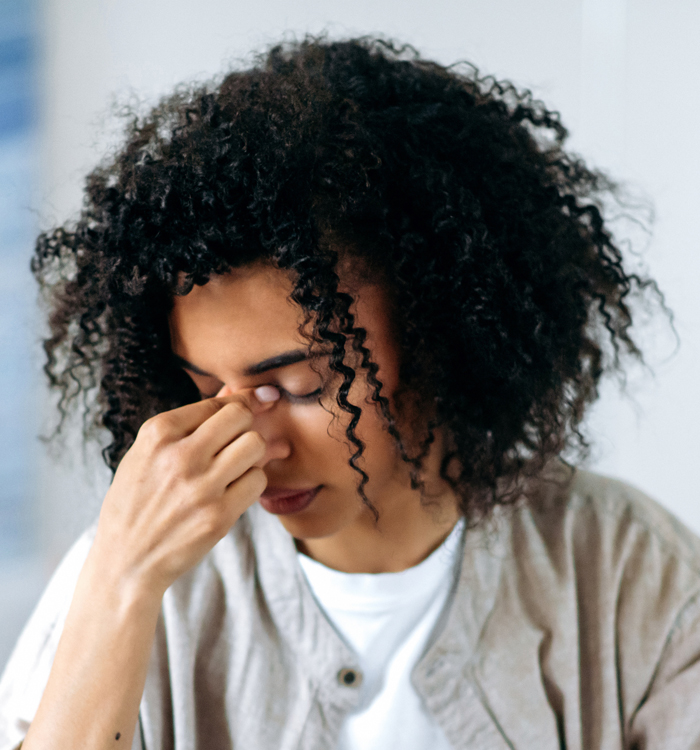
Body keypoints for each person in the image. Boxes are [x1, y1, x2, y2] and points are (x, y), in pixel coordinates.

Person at [1, 35, 699, 750]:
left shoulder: (633, 578)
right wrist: (120, 585)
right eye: (206, 387)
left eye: (301, 385)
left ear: (440, 340)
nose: (253, 444)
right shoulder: (133, 573)